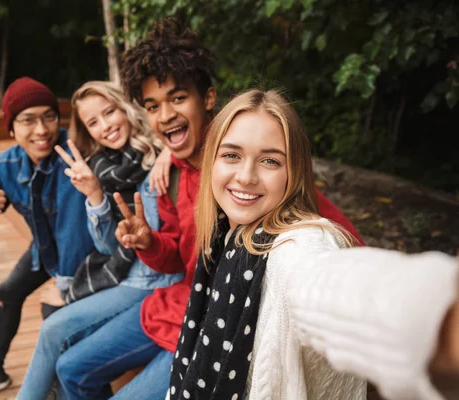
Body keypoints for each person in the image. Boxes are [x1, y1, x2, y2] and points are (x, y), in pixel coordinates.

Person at [52, 18, 363, 400]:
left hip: (220, 325)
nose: (165, 115)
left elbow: (338, 249)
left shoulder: (261, 184)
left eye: (178, 98)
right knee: (70, 367)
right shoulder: (172, 176)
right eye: (153, 105)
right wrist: (148, 242)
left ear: (209, 100)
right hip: (176, 305)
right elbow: (178, 260)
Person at [167, 88, 459, 400]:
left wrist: (438, 317)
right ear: (211, 160)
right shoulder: (223, 233)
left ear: (293, 172)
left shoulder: (298, 244)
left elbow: (328, 282)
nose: (246, 176)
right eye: (231, 155)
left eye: (270, 160)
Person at [17, 81, 182, 399]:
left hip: (159, 280)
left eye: (110, 112)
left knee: (58, 333)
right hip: (130, 276)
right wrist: (94, 195)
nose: (105, 126)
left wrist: (169, 153)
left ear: (126, 108)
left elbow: (196, 133)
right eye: (93, 122)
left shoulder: (163, 148)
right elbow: (109, 247)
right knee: (58, 335)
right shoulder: (105, 168)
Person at [0, 77, 94, 400]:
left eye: (49, 116)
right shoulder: (5, 164)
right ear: (11, 129)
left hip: (87, 260)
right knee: (8, 292)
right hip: (45, 251)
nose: (41, 130)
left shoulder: (78, 151)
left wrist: (65, 283)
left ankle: (59, 384)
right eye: (28, 120)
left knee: (53, 312)